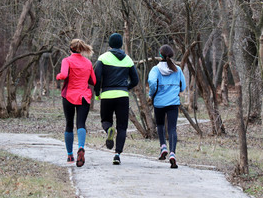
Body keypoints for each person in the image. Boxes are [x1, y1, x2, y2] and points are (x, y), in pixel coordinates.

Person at [94, 33, 139, 165]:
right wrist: (125, 88)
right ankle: (117, 154)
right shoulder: (128, 60)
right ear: (121, 44)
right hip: (122, 96)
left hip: (107, 95)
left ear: (109, 44)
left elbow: (97, 78)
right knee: (122, 126)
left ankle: (109, 131)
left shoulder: (103, 58)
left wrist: (97, 93)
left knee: (106, 120)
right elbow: (135, 80)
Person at [56, 39, 96, 167]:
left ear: (70, 49)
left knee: (69, 124)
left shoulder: (66, 60)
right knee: (81, 123)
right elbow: (93, 81)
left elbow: (63, 75)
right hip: (84, 96)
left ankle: (70, 155)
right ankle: (81, 147)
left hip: (69, 96)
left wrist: (58, 76)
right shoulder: (88, 62)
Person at [148, 44, 186, 168]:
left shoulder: (155, 69)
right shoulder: (178, 70)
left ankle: (163, 146)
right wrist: (175, 90)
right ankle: (172, 153)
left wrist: (151, 94)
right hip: (173, 103)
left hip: (159, 102)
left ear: (160, 55)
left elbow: (152, 82)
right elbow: (183, 86)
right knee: (172, 128)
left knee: (160, 125)